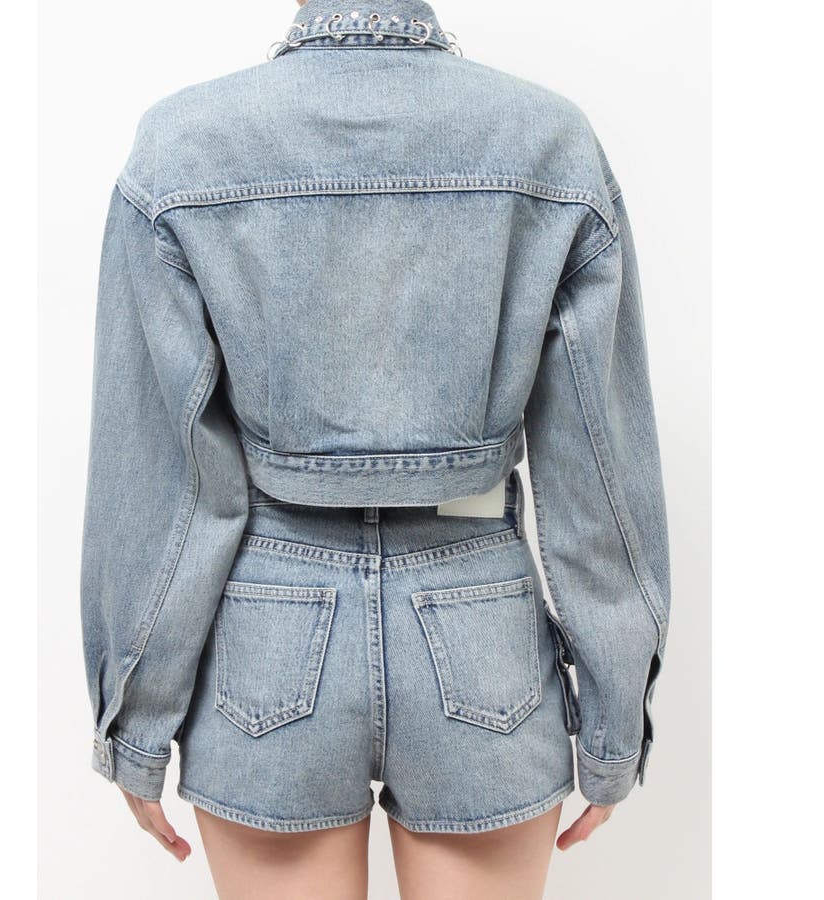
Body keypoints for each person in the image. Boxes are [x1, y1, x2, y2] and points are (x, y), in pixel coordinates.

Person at [80, 1, 671, 897]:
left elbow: (171, 480)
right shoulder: (549, 141)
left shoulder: (182, 148)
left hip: (267, 630)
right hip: (480, 621)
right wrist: (616, 721)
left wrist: (134, 718)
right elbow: (597, 467)